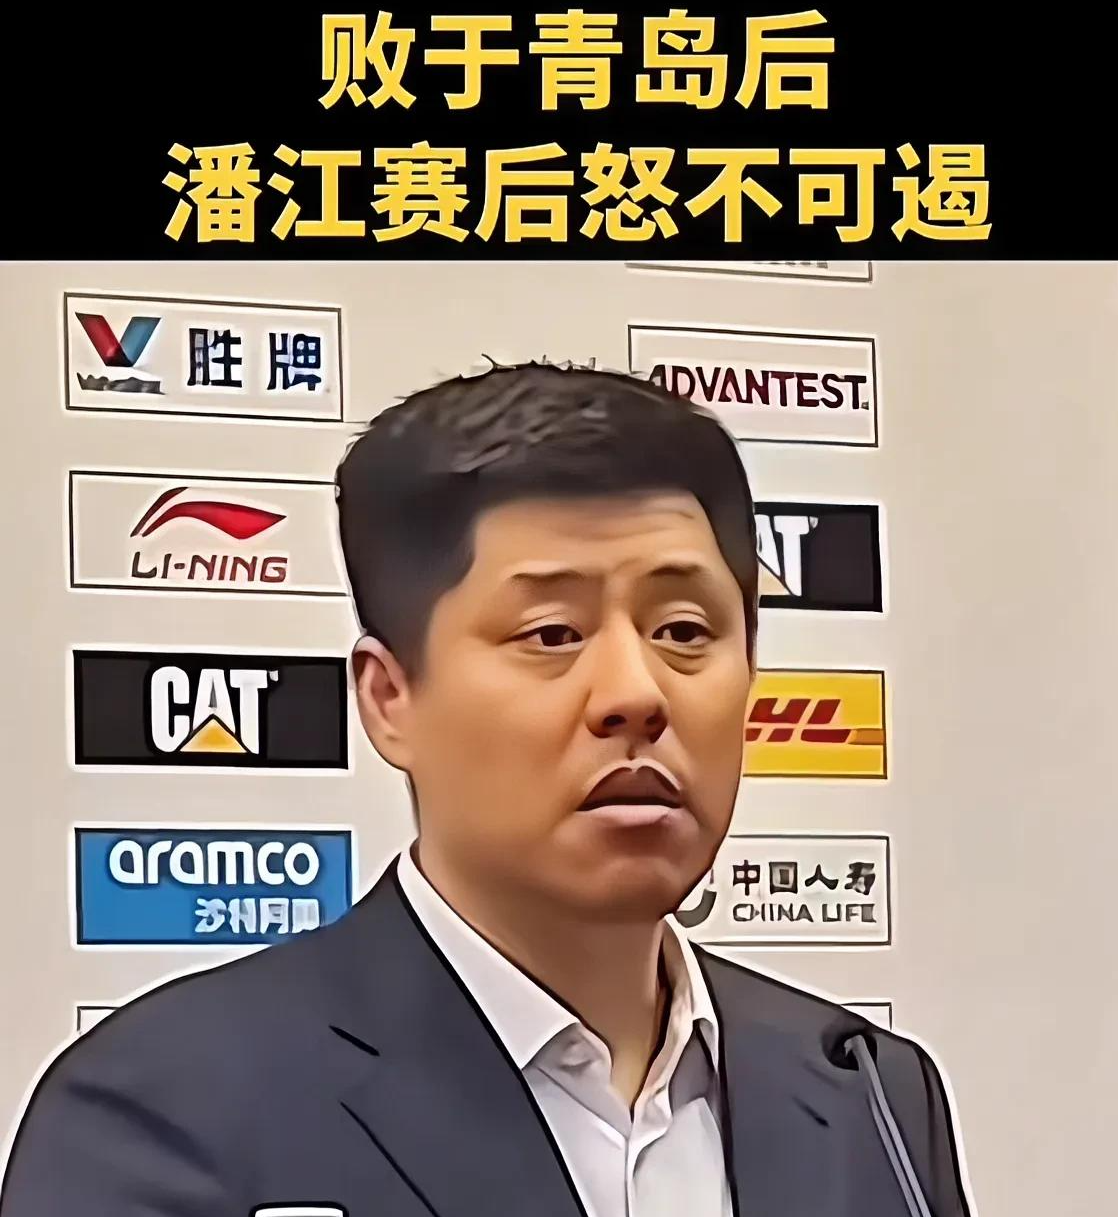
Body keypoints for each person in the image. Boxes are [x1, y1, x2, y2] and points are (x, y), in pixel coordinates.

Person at [1, 361, 973, 1217]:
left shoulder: (870, 1097)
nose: (635, 693)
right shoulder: (165, 1111)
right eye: (552, 634)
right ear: (390, 700)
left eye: (683, 631)